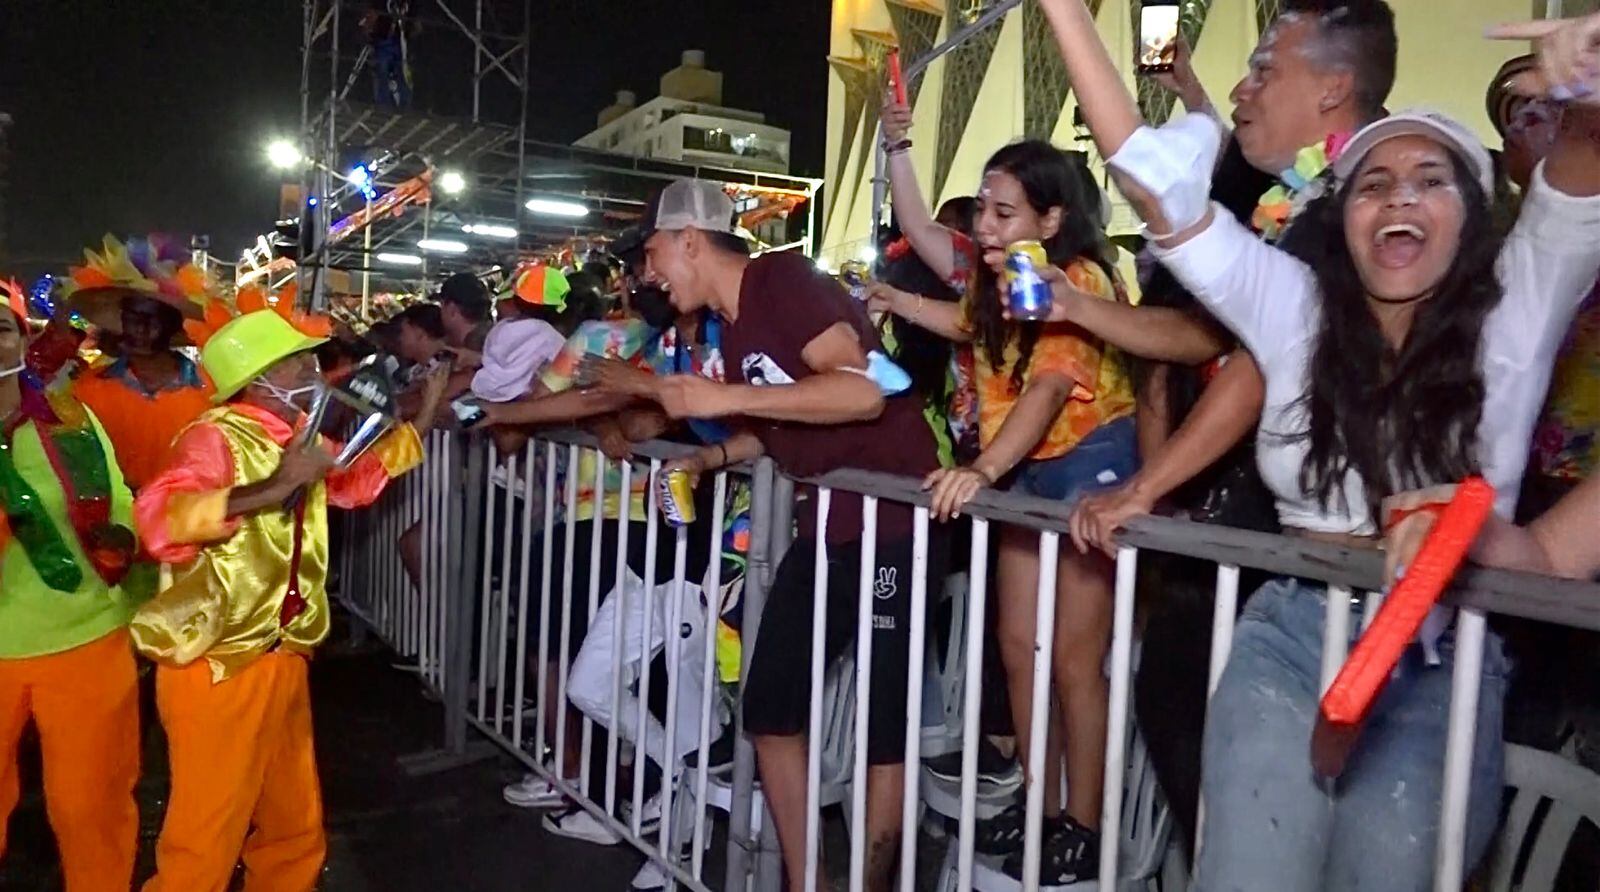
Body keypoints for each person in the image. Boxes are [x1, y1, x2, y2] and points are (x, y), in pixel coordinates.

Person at [1045, 3, 1600, 887]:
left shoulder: (1514, 312)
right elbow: (1163, 193)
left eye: (1432, 180)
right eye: (1374, 184)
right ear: (1346, 221)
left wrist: (1583, 91)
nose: (1401, 196)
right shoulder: (1296, 308)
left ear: (1472, 217)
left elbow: (1575, 193)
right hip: (1291, 629)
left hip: (1440, 657)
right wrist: (1063, 11)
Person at [624, 177, 942, 891]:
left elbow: (864, 390)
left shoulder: (784, 279)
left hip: (893, 526)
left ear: (689, 241)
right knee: (770, 708)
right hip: (826, 525)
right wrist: (713, 453)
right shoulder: (734, 324)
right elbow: (784, 422)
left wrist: (724, 399)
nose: (649, 273)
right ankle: (810, 881)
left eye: (652, 253)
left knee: (882, 726)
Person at [868, 133, 1137, 881]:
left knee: (1077, 663)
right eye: (982, 209)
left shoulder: (1077, 280)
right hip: (1022, 468)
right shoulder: (992, 276)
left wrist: (981, 468)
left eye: (1002, 212)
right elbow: (936, 259)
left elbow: (1050, 387)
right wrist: (897, 148)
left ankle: (1085, 821)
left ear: (1051, 221)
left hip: (1088, 468)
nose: (984, 226)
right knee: (1020, 650)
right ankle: (1039, 803)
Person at [132, 309, 446, 891]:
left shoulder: (299, 435)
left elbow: (355, 483)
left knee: (294, 828)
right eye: (301, 361)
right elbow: (158, 521)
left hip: (280, 654)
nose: (315, 369)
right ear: (262, 377)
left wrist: (423, 415)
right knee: (204, 842)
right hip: (219, 664)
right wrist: (277, 486)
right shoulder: (213, 437)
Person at [0, 305, 144, 891]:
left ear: (23, 340)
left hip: (86, 639)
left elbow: (122, 510)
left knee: (91, 810)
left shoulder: (71, 422)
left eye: (0, 328)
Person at [65, 235, 214, 490]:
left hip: (190, 522)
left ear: (172, 327)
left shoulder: (212, 390)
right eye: (134, 319)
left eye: (153, 321)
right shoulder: (87, 389)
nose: (141, 331)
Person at [470, 265, 569, 403]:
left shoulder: (500, 327)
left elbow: (488, 357)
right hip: (520, 400)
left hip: (484, 390)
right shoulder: (551, 337)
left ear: (516, 300)